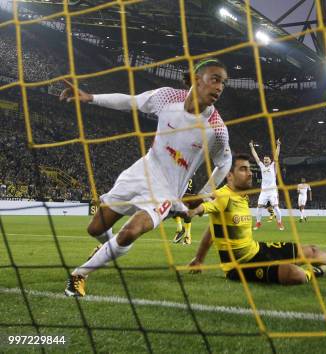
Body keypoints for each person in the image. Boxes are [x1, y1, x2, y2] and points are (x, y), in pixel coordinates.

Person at [62, 58, 232, 297]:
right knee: (96, 227)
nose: (219, 87)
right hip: (142, 171)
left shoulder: (216, 128)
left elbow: (225, 162)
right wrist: (91, 98)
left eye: (223, 83)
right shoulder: (166, 98)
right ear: (196, 79)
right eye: (215, 79)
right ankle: (106, 248)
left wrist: (204, 194)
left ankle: (79, 275)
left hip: (167, 191)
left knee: (131, 231)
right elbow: (130, 101)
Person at [187, 154, 326, 285]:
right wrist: (194, 210)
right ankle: (318, 271)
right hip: (239, 267)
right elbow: (204, 205)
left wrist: (200, 259)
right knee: (294, 274)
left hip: (256, 250)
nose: (250, 173)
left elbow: (213, 229)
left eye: (250, 169)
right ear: (229, 176)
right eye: (243, 169)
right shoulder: (222, 196)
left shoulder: (241, 196)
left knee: (311, 250)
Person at [250, 139, 283, 231]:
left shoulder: (273, 165)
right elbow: (256, 156)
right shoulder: (262, 166)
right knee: (259, 206)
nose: (265, 161)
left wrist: (278, 146)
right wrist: (252, 147)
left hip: (272, 191)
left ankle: (279, 223)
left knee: (276, 207)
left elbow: (276, 156)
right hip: (264, 191)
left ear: (270, 160)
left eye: (267, 159)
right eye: (264, 159)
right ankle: (258, 223)